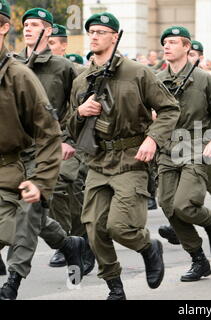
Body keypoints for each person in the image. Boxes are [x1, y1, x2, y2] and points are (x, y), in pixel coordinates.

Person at [68, 12, 180, 300]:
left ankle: (147, 246)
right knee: (94, 229)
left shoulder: (137, 72)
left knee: (120, 226)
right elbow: (68, 125)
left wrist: (153, 140)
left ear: (115, 37)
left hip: (132, 159)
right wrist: (80, 112)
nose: (94, 35)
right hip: (98, 161)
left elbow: (169, 109)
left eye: (101, 31)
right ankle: (114, 286)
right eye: (91, 31)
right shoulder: (82, 81)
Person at [0, 1, 83, 300]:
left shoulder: (52, 68)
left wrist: (68, 143)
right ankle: (68, 244)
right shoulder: (15, 61)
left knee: (27, 215)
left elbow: (66, 115)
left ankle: (13, 280)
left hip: (37, 154)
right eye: (29, 24)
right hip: (15, 156)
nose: (31, 29)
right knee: (25, 217)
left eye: (36, 25)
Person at [155, 26, 211, 282]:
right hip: (167, 150)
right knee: (167, 206)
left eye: (173, 42)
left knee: (184, 204)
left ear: (187, 47)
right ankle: (198, 259)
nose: (167, 46)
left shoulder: (205, 79)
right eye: (165, 42)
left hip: (197, 147)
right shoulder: (156, 80)